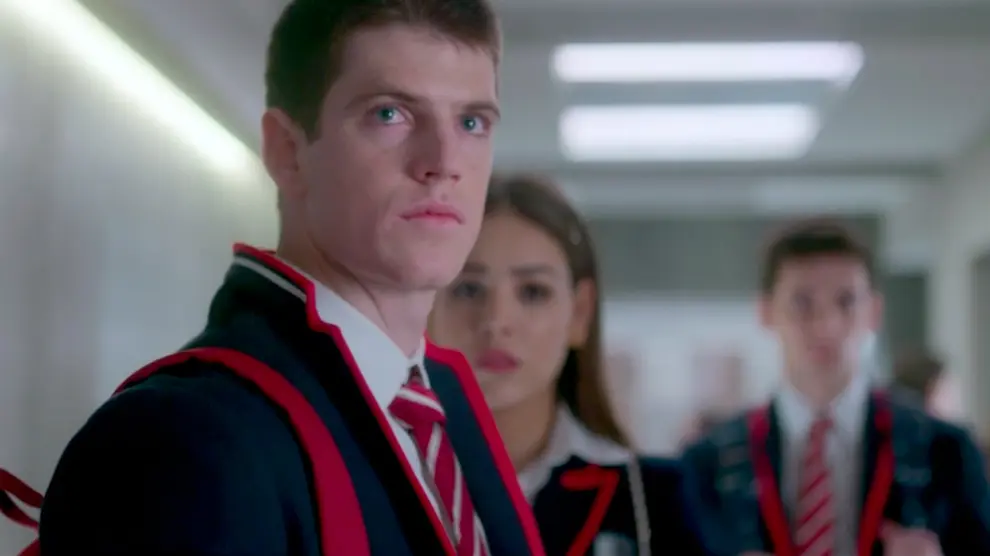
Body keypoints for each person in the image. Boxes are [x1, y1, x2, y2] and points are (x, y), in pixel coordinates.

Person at [11, 1, 546, 554]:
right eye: (390, 114)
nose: (444, 161)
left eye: (472, 122)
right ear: (288, 152)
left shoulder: (447, 405)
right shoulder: (182, 437)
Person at [429, 174, 706, 555]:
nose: (497, 321)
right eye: (468, 289)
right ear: (424, 306)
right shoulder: (380, 479)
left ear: (579, 312)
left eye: (533, 292)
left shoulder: (652, 498)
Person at [681, 220, 990, 556]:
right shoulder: (709, 464)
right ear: (766, 312)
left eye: (846, 302)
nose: (826, 325)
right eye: (802, 303)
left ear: (874, 312)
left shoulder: (945, 452)